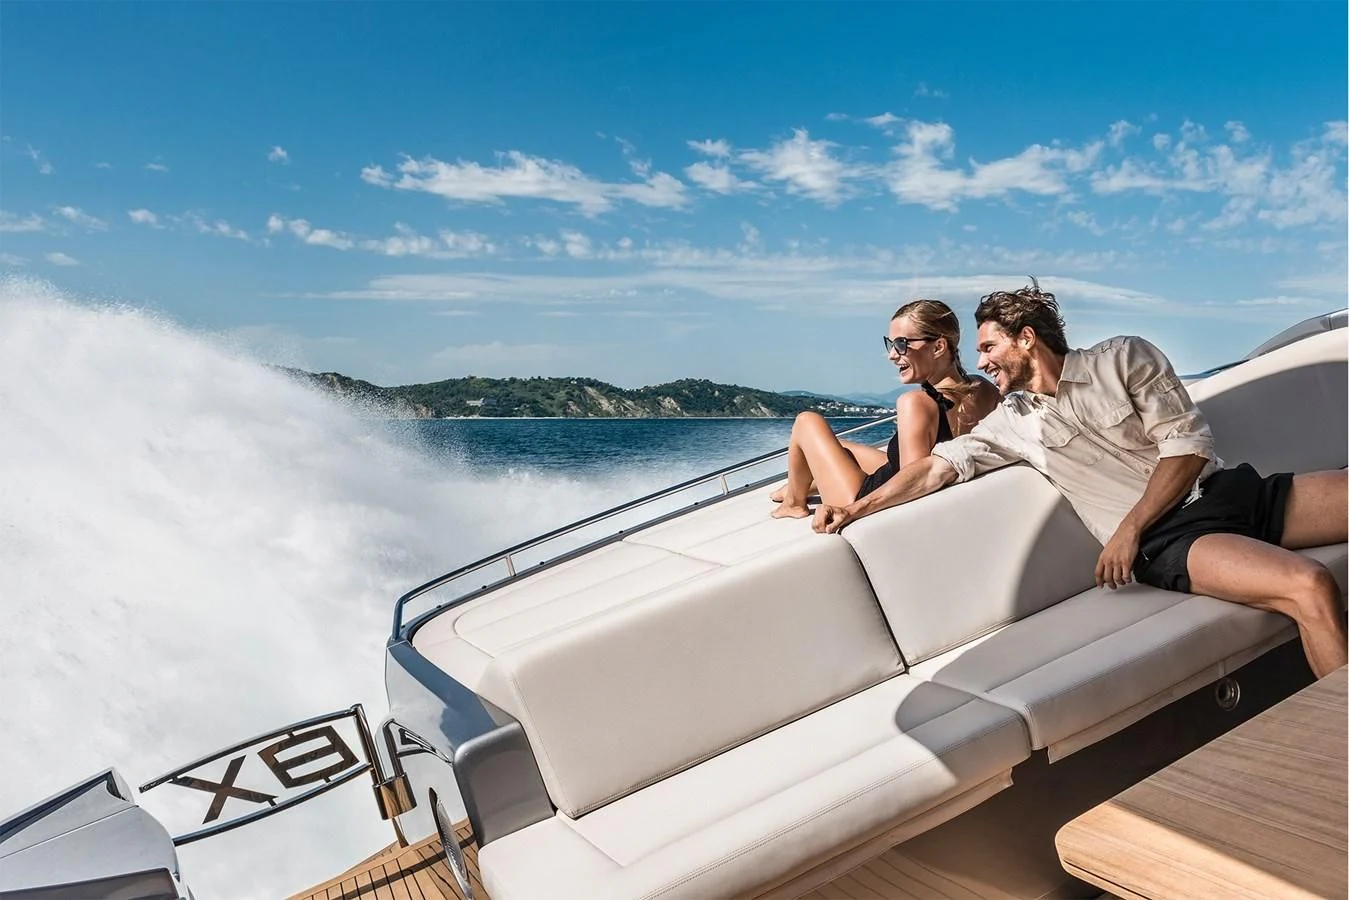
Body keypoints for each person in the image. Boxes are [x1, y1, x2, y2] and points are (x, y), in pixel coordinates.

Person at [813, 279, 1348, 678]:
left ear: (1026, 339)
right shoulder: (1011, 421)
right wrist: (857, 508)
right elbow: (936, 467)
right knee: (1309, 585)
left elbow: (1187, 448)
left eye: (989, 347)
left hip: (1225, 492)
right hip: (1172, 539)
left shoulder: (1125, 358)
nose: (981, 362)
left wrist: (1126, 528)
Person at [770, 299, 1000, 519]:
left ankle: (793, 502)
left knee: (807, 421)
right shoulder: (985, 388)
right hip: (921, 476)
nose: (892, 355)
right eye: (891, 344)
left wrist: (854, 510)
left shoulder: (917, 403)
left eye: (901, 344)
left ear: (938, 347)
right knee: (841, 448)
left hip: (860, 499)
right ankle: (805, 483)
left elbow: (913, 485)